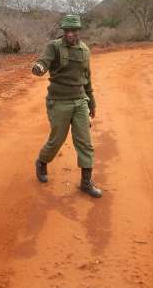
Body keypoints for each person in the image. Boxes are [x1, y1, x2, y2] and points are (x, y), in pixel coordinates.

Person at [32, 14, 102, 198]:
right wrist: (39, 67)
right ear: (63, 31)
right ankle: (42, 162)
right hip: (59, 101)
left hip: (80, 100)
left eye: (74, 31)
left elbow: (87, 79)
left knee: (85, 142)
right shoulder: (54, 46)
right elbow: (43, 62)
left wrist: (92, 103)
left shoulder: (84, 50)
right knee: (57, 140)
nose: (70, 34)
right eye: (67, 31)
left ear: (79, 31)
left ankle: (86, 182)